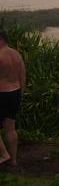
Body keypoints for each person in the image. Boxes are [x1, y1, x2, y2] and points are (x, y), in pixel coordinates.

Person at [0, 29, 26, 166]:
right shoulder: (16, 54)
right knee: (10, 128)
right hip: (15, 92)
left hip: (2, 93)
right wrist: (20, 94)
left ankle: (4, 155)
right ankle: (14, 161)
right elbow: (23, 76)